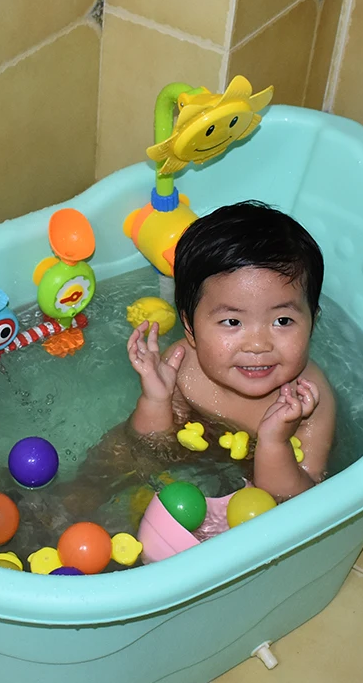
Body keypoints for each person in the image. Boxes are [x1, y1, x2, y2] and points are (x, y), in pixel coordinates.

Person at [127, 200, 335, 501]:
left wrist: (274, 444)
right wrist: (156, 400)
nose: (258, 345)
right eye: (232, 321)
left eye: (282, 320)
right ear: (190, 328)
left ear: (313, 322)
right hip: (195, 468)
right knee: (111, 462)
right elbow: (153, 451)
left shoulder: (309, 401)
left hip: (260, 490)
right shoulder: (181, 367)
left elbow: (303, 500)